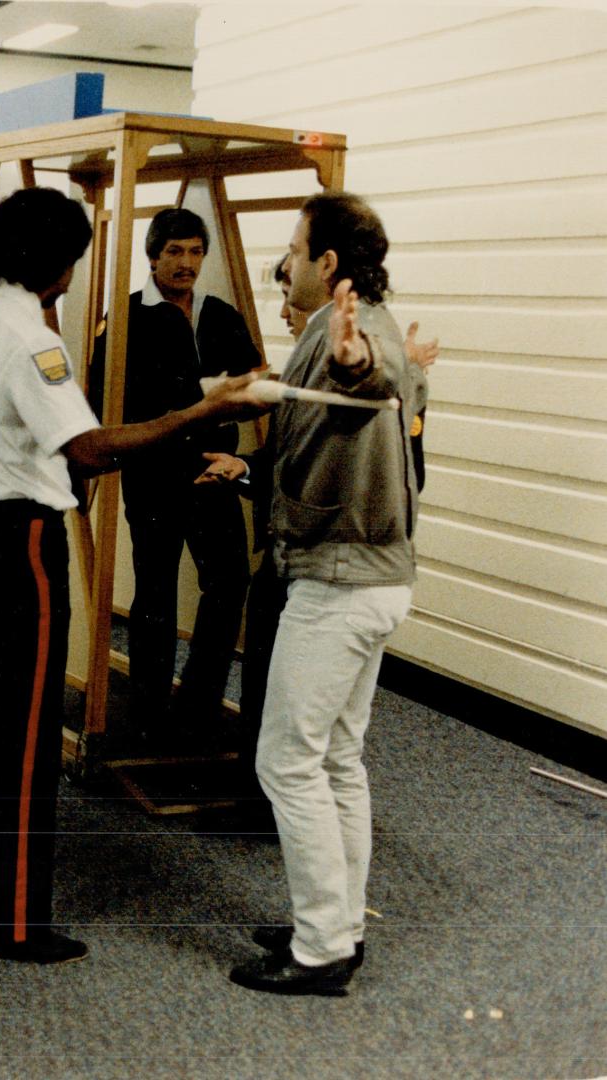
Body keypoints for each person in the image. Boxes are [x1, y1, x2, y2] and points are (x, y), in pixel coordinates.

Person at [0, 187, 269, 965]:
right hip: (20, 549)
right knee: (22, 738)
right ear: (57, 263)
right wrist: (203, 413)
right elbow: (90, 448)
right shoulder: (31, 337)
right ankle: (6, 925)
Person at [214, 193, 426, 995]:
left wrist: (350, 364)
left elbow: (363, 380)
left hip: (340, 581)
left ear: (327, 263)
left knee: (287, 761)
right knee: (336, 758)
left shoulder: (357, 334)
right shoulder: (344, 326)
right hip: (368, 578)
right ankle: (334, 926)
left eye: (295, 249)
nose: (286, 262)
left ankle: (320, 951)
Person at [201, 256, 437, 829]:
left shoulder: (355, 364)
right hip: (308, 559)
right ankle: (320, 900)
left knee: (303, 751)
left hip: (324, 567)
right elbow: (296, 457)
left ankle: (270, 814)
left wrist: (394, 372)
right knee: (323, 745)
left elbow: (357, 431)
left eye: (289, 295)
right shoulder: (319, 358)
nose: (283, 311)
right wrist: (247, 467)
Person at [120, 209, 264, 747]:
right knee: (154, 589)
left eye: (195, 252)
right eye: (175, 252)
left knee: (229, 583)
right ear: (153, 256)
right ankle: (149, 707)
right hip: (153, 472)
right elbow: (107, 397)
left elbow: (252, 387)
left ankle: (199, 699)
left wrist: (233, 406)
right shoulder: (127, 317)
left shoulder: (221, 315)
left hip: (213, 470)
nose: (186, 263)